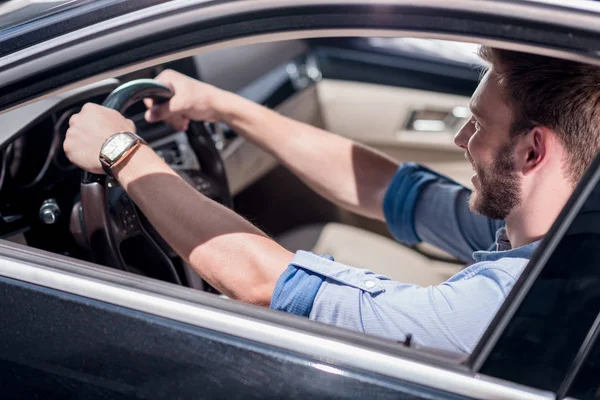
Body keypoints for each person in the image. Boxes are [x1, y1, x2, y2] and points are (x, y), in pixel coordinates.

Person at [64, 46, 600, 354]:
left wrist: (121, 152)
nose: (462, 139)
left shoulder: (498, 308)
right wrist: (224, 107)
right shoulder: (563, 231)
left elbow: (263, 284)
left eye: (479, 123)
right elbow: (394, 192)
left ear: (534, 150)